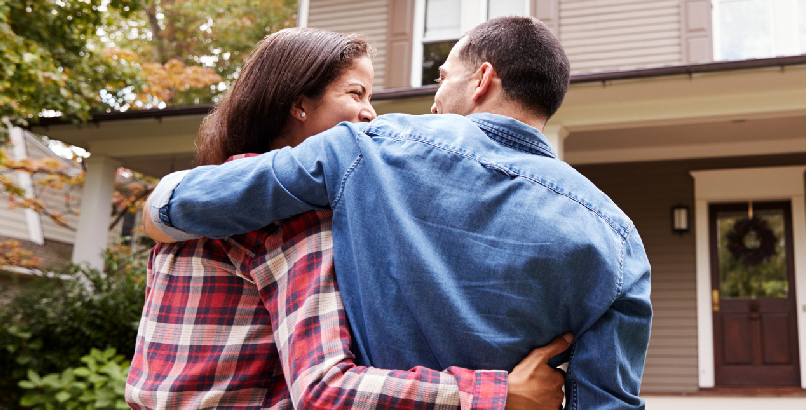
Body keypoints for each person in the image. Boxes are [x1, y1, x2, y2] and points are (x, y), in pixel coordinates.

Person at [144, 17, 652, 409]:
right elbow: (608, 399)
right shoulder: (620, 238)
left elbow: (197, 199)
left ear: (481, 80)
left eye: (441, 78)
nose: (432, 101)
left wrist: (158, 208)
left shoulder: (368, 150)